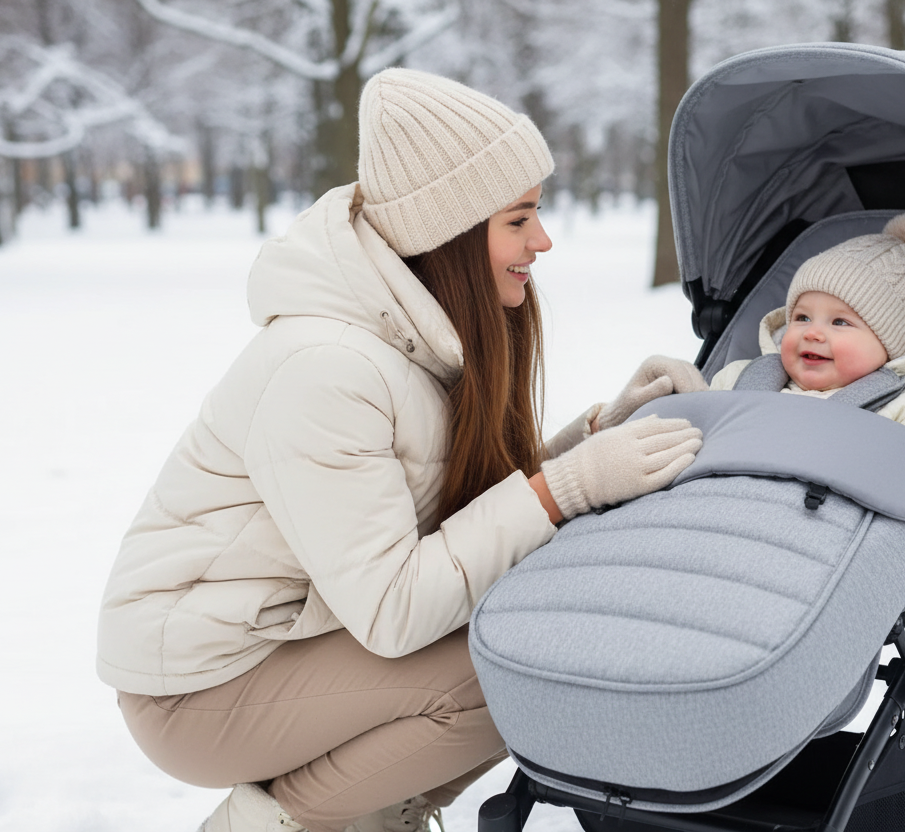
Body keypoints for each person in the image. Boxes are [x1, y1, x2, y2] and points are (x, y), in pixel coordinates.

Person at [96, 68, 704, 832]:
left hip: (300, 640)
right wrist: (564, 487)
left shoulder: (416, 333)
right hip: (197, 687)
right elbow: (394, 608)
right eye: (519, 219)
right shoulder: (327, 369)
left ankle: (366, 817)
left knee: (519, 643)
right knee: (509, 667)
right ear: (449, 232)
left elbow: (453, 510)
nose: (542, 241)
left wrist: (594, 436)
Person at [709, 212, 905, 470]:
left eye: (839, 322)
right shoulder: (737, 380)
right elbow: (698, 426)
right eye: (802, 318)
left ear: (892, 346)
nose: (812, 333)